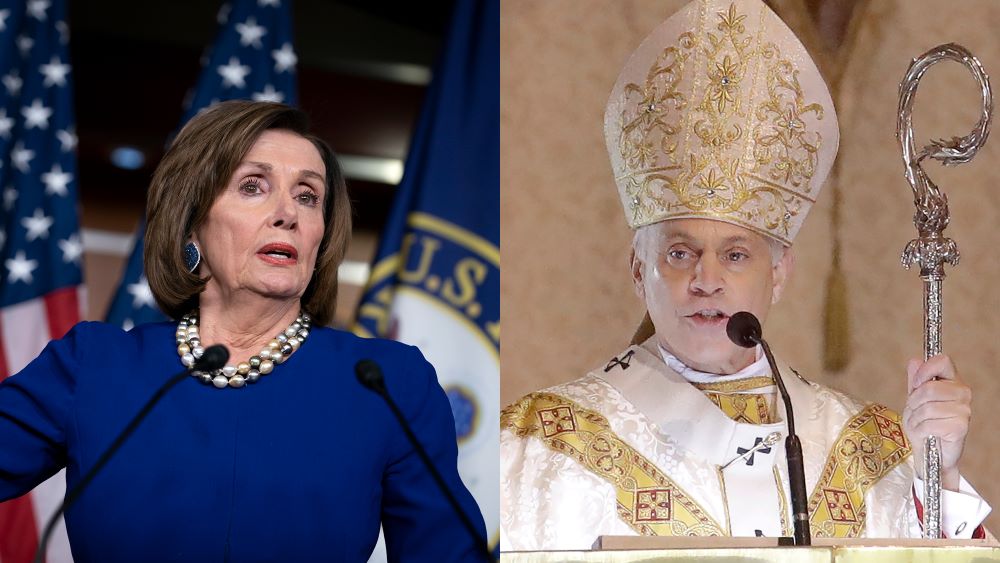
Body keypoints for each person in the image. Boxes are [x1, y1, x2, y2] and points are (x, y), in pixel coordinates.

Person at [500, 0, 991, 550]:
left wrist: (940, 477)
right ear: (639, 270)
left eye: (736, 256)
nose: (706, 279)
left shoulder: (867, 451)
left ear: (779, 273)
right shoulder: (541, 447)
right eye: (680, 253)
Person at [0, 100, 486, 562]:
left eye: (307, 196)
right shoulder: (95, 365)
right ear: (191, 226)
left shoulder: (387, 382)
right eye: (253, 186)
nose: (287, 214)